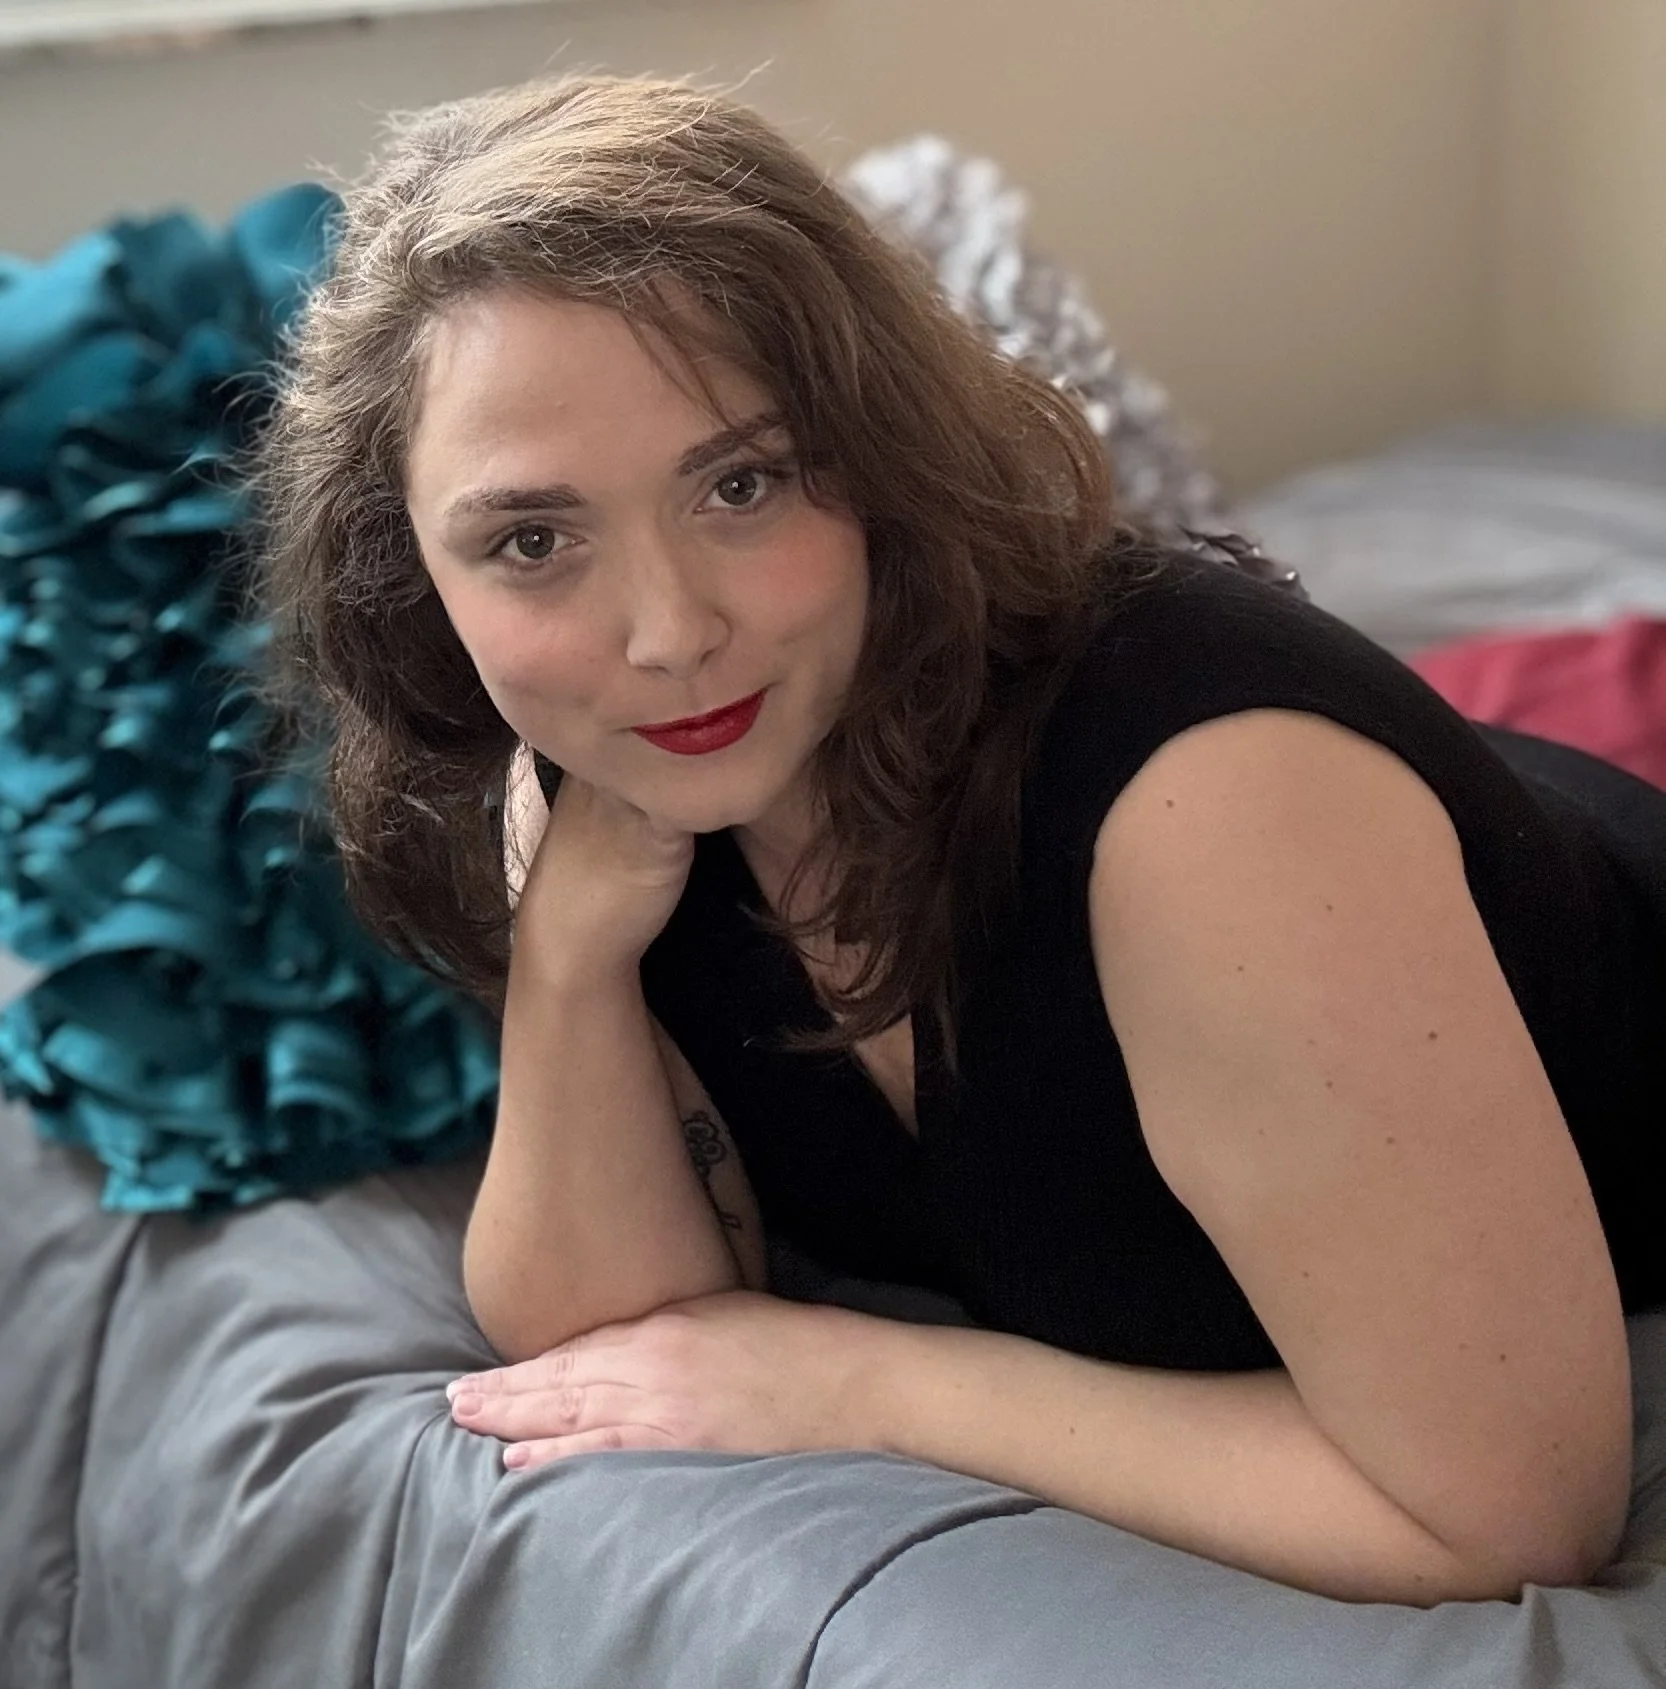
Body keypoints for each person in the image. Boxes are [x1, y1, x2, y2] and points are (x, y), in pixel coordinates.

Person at [253, 73, 1666, 1608]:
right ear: (415, 576)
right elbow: (605, 1322)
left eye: (743, 483)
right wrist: (573, 959)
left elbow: (1500, 1519)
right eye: (531, 540)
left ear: (877, 452)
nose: (666, 632)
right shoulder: (616, 751)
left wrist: (862, 1383)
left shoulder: (1210, 810)